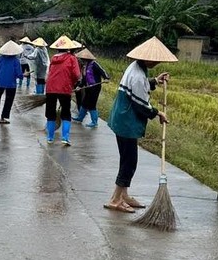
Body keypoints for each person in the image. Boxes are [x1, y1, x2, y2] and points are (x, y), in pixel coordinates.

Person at [105, 36, 176, 213]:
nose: (158, 62)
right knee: (129, 162)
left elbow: (142, 86)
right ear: (148, 58)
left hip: (123, 119)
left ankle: (124, 195)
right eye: (156, 59)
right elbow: (140, 104)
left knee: (127, 159)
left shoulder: (137, 68)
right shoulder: (137, 74)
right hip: (126, 121)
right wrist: (157, 113)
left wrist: (154, 81)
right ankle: (115, 199)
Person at [44, 35, 82, 146]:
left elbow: (50, 72)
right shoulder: (71, 58)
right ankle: (65, 138)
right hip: (64, 88)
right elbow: (76, 74)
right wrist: (75, 83)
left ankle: (50, 137)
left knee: (50, 112)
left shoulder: (53, 58)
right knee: (66, 112)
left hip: (50, 88)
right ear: (68, 48)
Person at [73, 48, 109, 128]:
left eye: (82, 59)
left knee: (92, 104)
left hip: (95, 87)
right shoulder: (85, 67)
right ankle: (80, 118)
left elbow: (102, 71)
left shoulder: (94, 64)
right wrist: (79, 86)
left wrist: (106, 78)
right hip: (88, 87)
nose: (80, 60)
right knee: (85, 103)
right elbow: (84, 79)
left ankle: (94, 122)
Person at [0, 41, 24, 124]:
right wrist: (23, 75)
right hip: (11, 84)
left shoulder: (0, 59)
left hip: (0, 82)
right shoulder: (16, 61)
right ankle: (3, 118)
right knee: (8, 100)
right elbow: (19, 73)